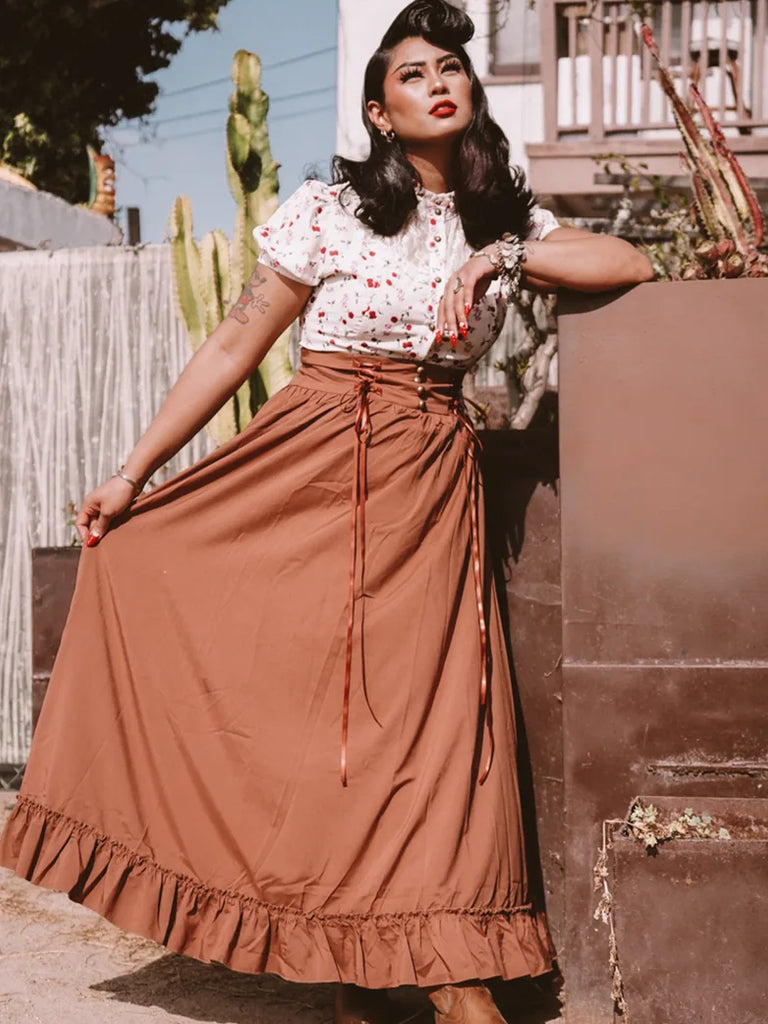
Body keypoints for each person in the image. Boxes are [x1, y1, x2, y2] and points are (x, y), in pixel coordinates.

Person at [0, 2, 653, 1023]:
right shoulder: (331, 208)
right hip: (308, 459)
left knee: (428, 729)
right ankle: (347, 958)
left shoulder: (499, 218)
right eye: (411, 74)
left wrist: (503, 260)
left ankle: (447, 969)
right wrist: (134, 471)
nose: (439, 82)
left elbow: (632, 263)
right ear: (380, 112)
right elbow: (232, 345)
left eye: (452, 67)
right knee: (316, 718)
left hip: (431, 477)